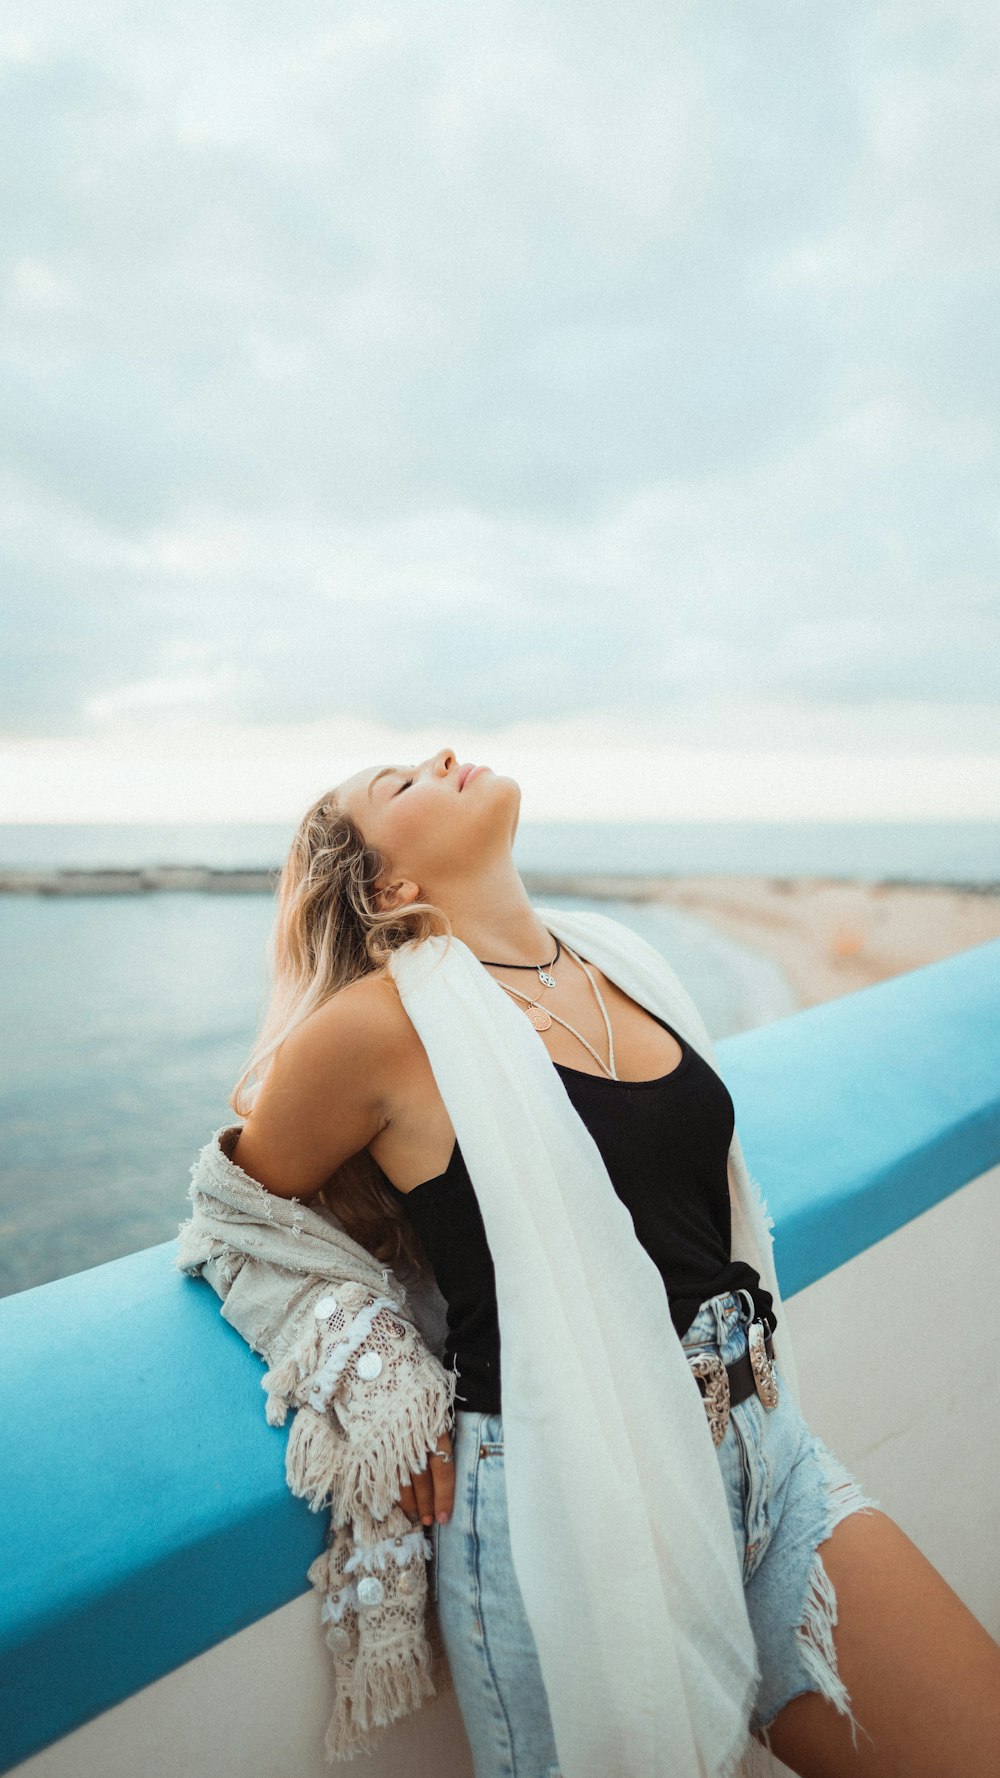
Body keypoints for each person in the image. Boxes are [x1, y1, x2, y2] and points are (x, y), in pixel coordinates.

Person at [230, 745, 1000, 1778]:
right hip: (576, 1511)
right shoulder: (377, 1028)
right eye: (400, 783)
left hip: (766, 1456)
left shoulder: (614, 959)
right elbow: (240, 1208)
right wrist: (372, 1361)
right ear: (389, 886)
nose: (443, 757)